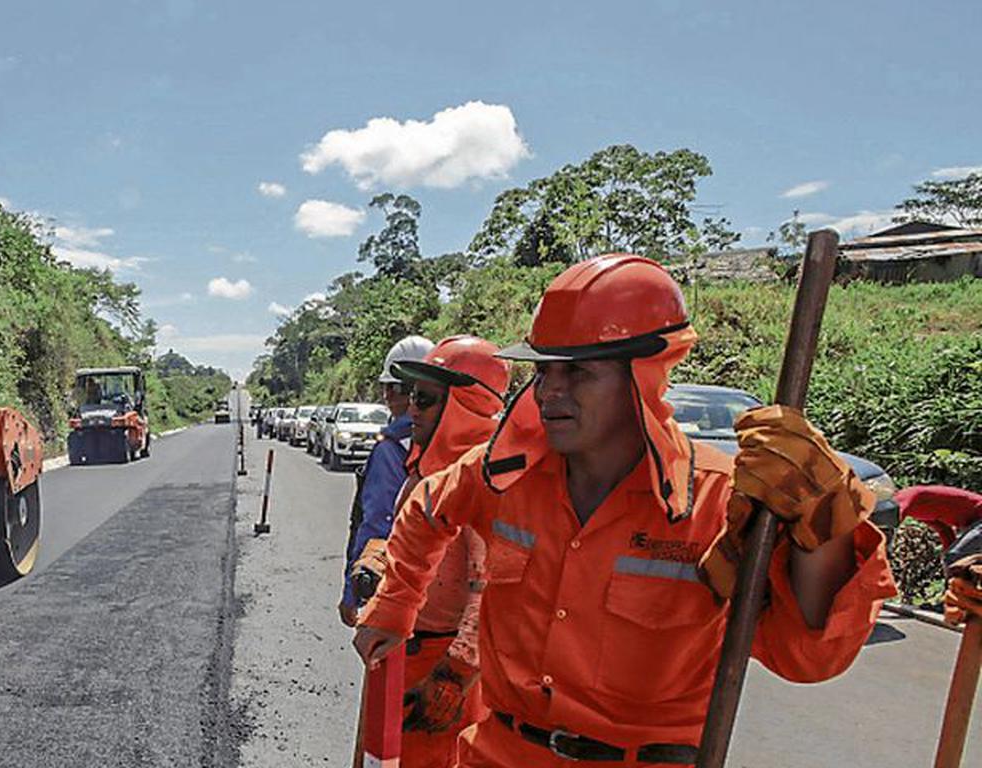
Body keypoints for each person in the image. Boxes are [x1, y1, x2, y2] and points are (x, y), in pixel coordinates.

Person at [354, 254, 896, 767]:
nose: (549, 392)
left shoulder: (717, 502)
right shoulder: (502, 474)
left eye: (580, 373)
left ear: (643, 377)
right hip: (499, 752)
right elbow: (427, 505)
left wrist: (823, 526)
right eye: (544, 371)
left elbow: (811, 659)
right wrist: (393, 607)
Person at [352, 335, 508, 767]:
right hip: (402, 653)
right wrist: (376, 558)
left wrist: (454, 677)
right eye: (411, 395)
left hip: (440, 668)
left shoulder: (484, 482)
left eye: (425, 398)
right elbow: (410, 544)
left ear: (464, 405)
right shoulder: (423, 469)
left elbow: (489, 590)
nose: (411, 408)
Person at [339, 335, 432, 626]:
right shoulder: (456, 443)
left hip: (397, 589)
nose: (386, 396)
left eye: (389, 388)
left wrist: (352, 592)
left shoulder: (391, 449)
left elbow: (378, 523)